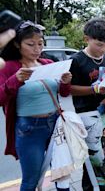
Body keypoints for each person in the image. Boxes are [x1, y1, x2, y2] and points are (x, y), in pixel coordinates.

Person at [0, 21, 72, 190]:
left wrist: (65, 82)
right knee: (31, 180)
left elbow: (63, 93)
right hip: (29, 129)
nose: (36, 49)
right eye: (30, 44)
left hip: (55, 125)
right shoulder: (10, 67)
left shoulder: (48, 63)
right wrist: (15, 80)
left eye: (40, 44)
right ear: (17, 44)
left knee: (63, 174)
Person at [68, 18, 105, 190]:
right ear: (86, 39)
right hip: (83, 117)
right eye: (98, 44)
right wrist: (95, 90)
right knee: (89, 159)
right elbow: (68, 89)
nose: (102, 49)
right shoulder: (75, 60)